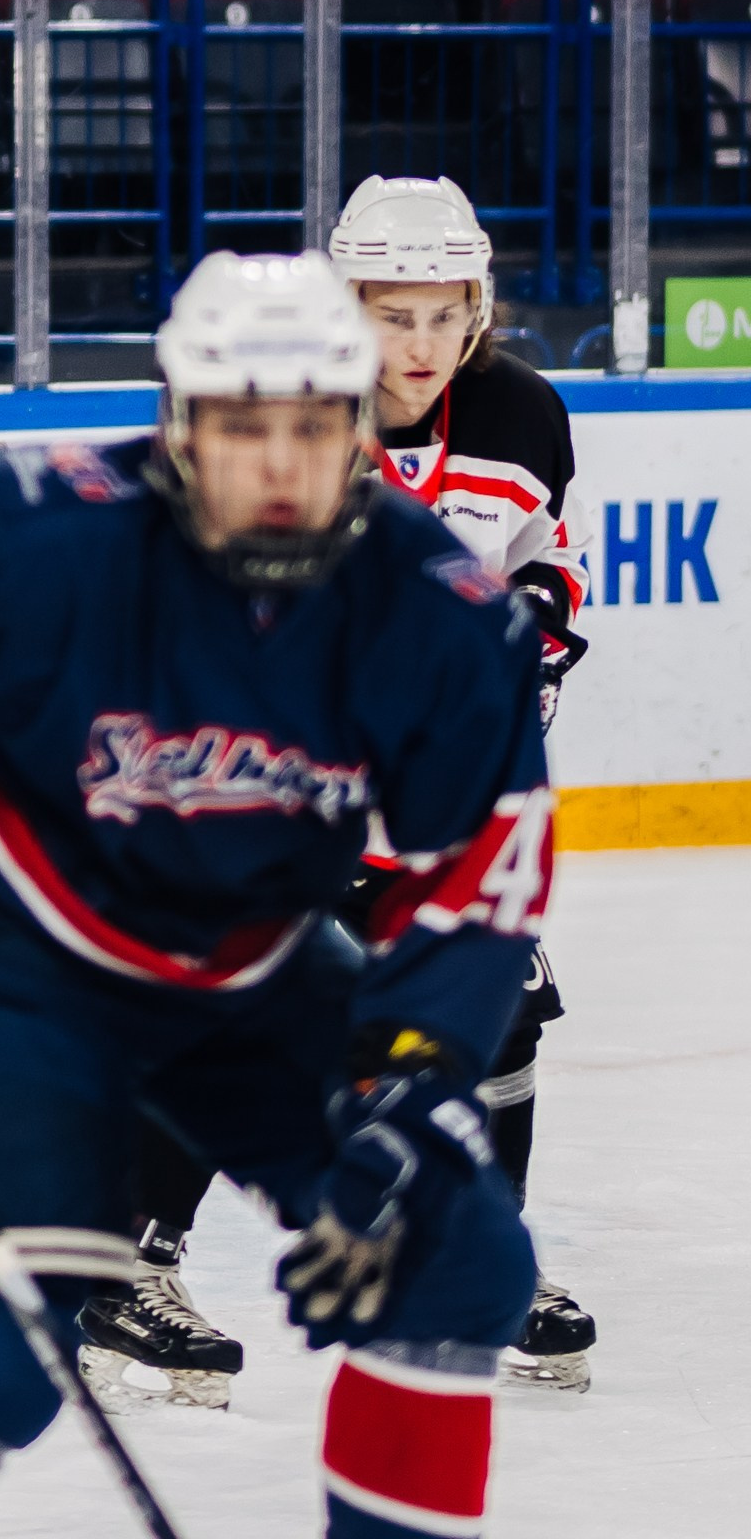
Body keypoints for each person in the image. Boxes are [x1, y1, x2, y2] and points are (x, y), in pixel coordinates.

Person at [0, 251, 549, 1539]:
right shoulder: (40, 533)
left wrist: (408, 1076)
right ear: (183, 424)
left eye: (314, 423)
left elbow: (474, 877)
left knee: (453, 1254)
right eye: (245, 424)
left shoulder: (440, 612)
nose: (281, 463)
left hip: (241, 970)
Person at [85, 176, 595, 1401]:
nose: (416, 347)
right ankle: (124, 1268)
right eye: (388, 314)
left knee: (500, 1014)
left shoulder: (525, 415)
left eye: (441, 315)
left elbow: (550, 569)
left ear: (477, 311)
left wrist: (530, 627)